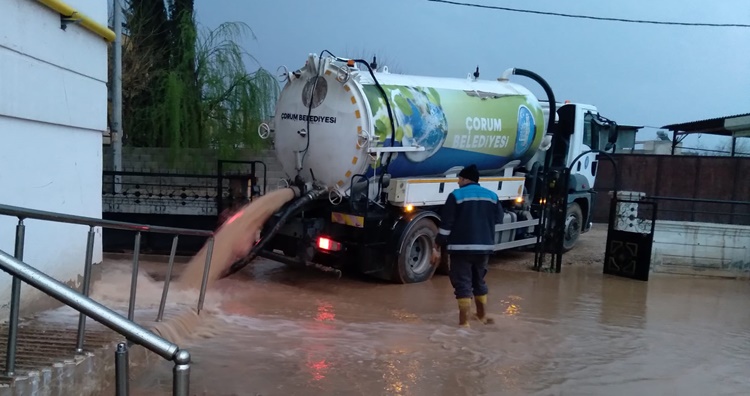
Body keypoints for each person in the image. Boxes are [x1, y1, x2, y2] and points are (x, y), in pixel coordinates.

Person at [435, 164, 503, 327]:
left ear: (466, 179)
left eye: (459, 178)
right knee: (479, 280)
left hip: (461, 248)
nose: (458, 182)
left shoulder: (456, 196)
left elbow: (446, 225)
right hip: (484, 248)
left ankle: (464, 324)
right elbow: (499, 218)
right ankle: (482, 315)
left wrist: (437, 245)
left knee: (462, 282)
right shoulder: (492, 196)